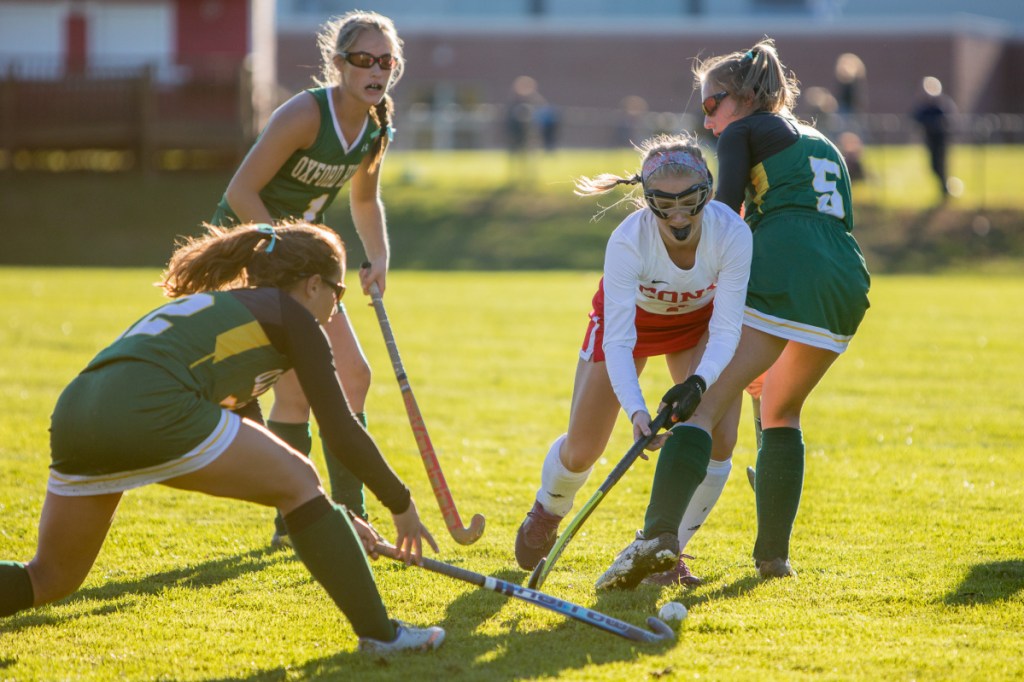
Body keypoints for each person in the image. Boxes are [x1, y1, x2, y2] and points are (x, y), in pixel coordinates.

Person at [0, 222, 444, 655]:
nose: (336, 305)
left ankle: (379, 630)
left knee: (50, 577)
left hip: (78, 408)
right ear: (312, 285)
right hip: (147, 402)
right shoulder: (291, 317)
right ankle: (383, 636)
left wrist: (333, 516)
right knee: (300, 478)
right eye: (337, 291)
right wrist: (401, 505)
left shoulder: (236, 313)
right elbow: (341, 430)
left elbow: (260, 449)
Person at [596, 38, 870, 589]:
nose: (709, 121)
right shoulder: (821, 139)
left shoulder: (746, 131)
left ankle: (657, 545)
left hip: (786, 267)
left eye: (711, 105)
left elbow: (721, 214)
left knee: (703, 410)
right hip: (845, 279)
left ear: (742, 99)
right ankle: (773, 559)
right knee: (780, 409)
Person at [514, 132, 753, 587]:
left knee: (720, 437)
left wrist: (699, 383)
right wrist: (638, 411)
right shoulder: (629, 242)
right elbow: (619, 342)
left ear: (707, 191)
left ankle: (666, 550)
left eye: (690, 201)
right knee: (584, 449)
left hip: (697, 327)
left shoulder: (732, 233)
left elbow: (726, 330)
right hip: (632, 327)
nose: (679, 215)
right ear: (647, 200)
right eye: (664, 204)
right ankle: (548, 507)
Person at [211, 11, 402, 544]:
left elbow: (365, 197)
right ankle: (305, 522)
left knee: (352, 377)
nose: (377, 70)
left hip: (301, 265)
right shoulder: (305, 115)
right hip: (253, 253)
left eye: (387, 62)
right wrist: (280, 249)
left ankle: (340, 515)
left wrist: (378, 255)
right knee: (298, 393)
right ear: (339, 64)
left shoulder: (375, 124)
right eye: (364, 59)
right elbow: (240, 193)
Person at [912, 76, 956, 202]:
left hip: (941, 141)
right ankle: (944, 187)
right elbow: (915, 117)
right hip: (930, 141)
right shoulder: (925, 106)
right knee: (933, 166)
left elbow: (949, 120)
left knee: (942, 165)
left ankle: (946, 189)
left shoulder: (942, 104)